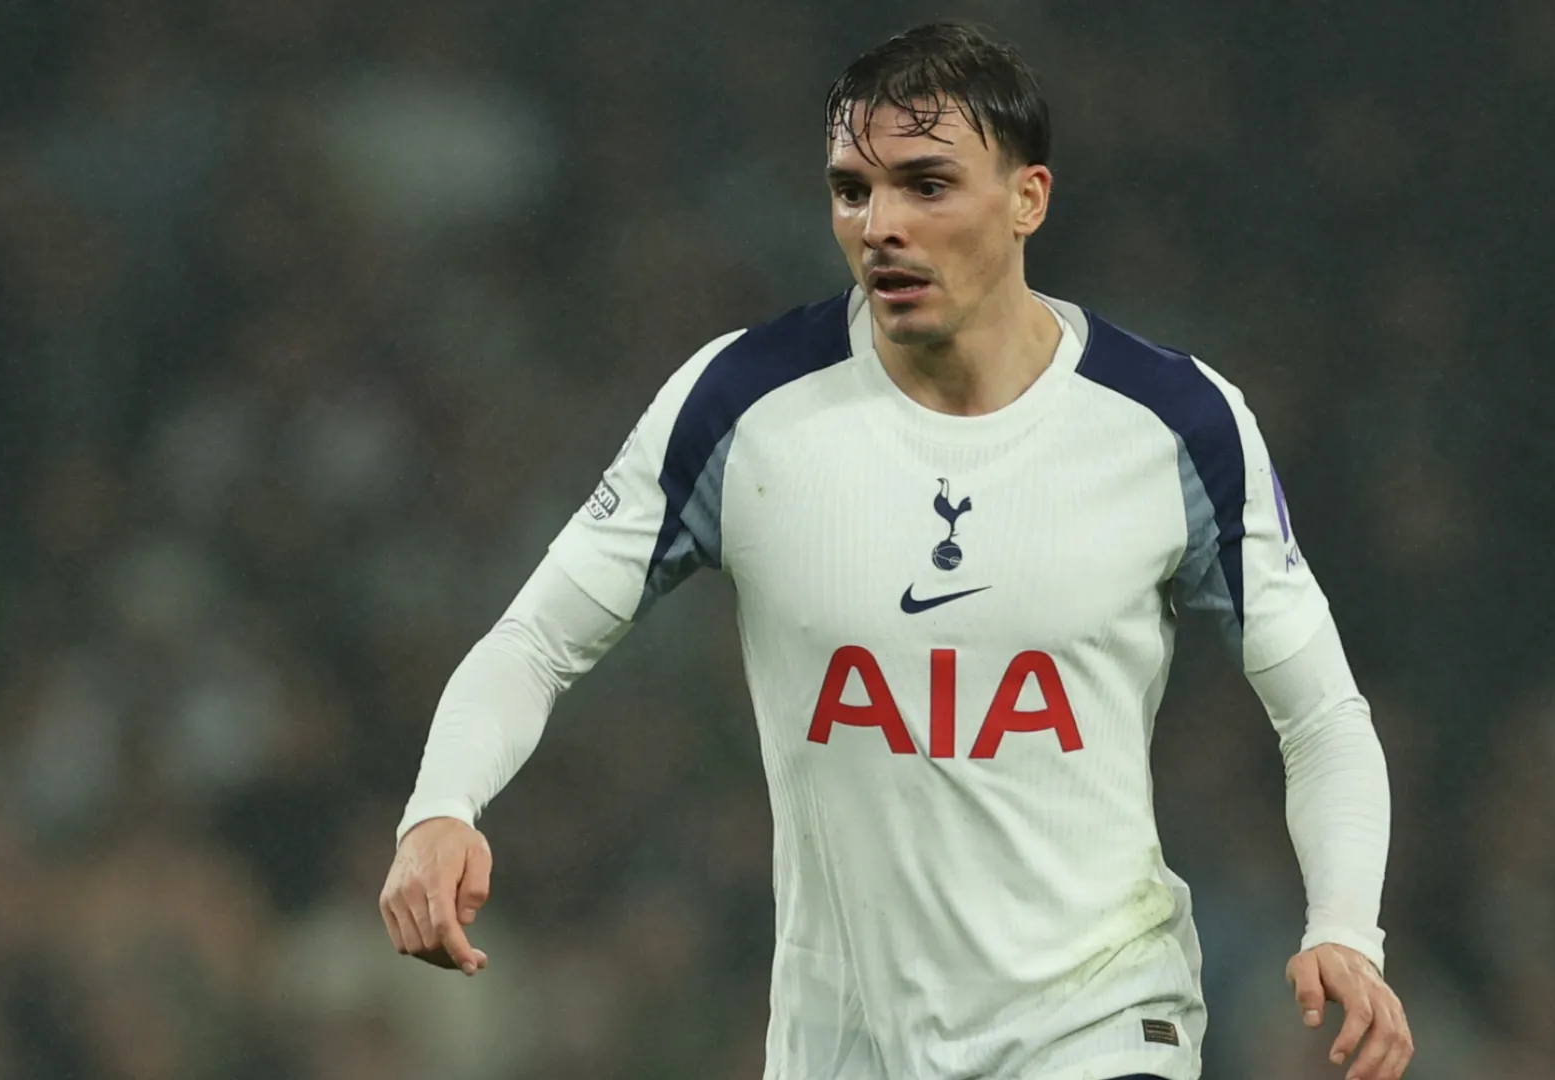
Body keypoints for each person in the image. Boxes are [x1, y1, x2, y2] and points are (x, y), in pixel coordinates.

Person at [379, 20, 1412, 1080]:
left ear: (1028, 198)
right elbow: (535, 641)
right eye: (852, 190)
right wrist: (440, 808)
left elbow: (1322, 715)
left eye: (927, 185)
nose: (880, 226)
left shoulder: (1175, 422)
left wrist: (1344, 926)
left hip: (1100, 1027)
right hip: (841, 1049)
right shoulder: (741, 404)